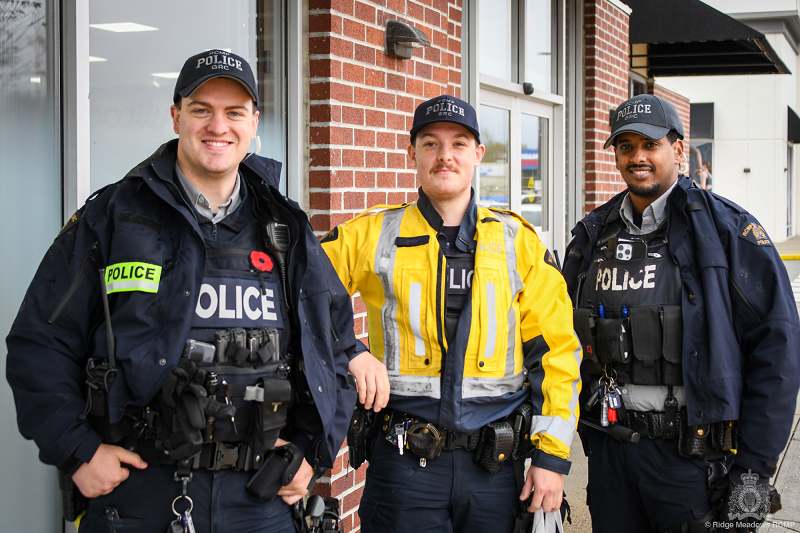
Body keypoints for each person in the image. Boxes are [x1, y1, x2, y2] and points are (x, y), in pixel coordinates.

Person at [6, 49, 357, 532]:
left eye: (234, 112)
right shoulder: (112, 217)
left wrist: (312, 454)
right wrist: (75, 449)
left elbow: (334, 346)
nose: (219, 126)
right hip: (139, 496)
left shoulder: (285, 228)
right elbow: (39, 340)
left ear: (254, 123)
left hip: (258, 501)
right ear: (176, 117)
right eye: (201, 110)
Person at [321, 94, 582, 533]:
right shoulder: (370, 233)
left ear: (478, 154)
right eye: (430, 143)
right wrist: (350, 350)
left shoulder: (519, 241)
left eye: (459, 143)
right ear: (413, 154)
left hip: (495, 471)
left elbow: (557, 353)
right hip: (404, 466)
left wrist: (551, 457)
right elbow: (302, 294)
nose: (445, 156)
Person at [562, 94, 800, 532]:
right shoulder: (592, 236)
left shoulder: (728, 232)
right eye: (625, 146)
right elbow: (561, 343)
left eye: (650, 144)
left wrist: (753, 474)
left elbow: (778, 351)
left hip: (691, 462)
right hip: (611, 454)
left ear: (677, 149)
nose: (638, 157)